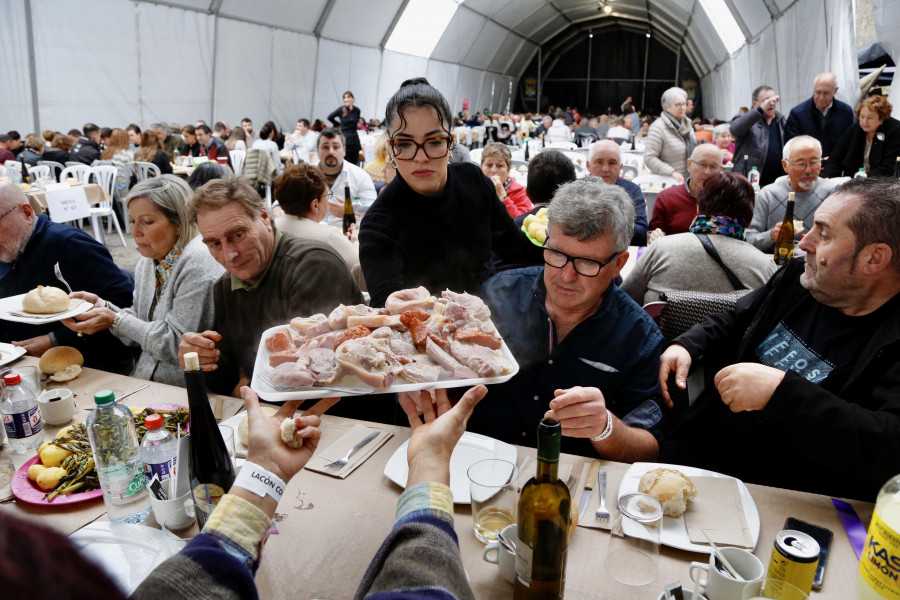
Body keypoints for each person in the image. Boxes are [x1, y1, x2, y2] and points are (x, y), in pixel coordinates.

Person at [660, 177, 900, 501]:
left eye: (824, 233)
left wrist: (780, 393)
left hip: (787, 495)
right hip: (701, 448)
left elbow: (888, 448)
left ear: (874, 258)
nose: (804, 242)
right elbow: (737, 316)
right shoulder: (800, 279)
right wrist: (688, 343)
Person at [474, 178, 664, 459]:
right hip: (478, 462)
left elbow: (649, 447)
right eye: (557, 254)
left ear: (618, 265)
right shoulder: (498, 295)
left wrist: (606, 427)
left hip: (571, 481)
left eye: (587, 262)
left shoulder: (638, 336)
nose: (566, 276)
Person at [359, 77, 543, 308]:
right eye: (405, 144)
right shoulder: (379, 225)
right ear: (391, 149)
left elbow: (516, 248)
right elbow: (390, 311)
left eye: (434, 141)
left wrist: (567, 254)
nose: (420, 157)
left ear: (450, 143)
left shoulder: (474, 181)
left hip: (493, 318)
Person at [177, 177, 362, 396]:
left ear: (264, 217)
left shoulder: (314, 265)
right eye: (215, 244)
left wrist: (248, 384)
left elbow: (311, 378)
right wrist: (204, 359)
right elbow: (231, 379)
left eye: (237, 235)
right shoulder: (225, 287)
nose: (229, 255)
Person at [62, 176, 224, 386]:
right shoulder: (148, 262)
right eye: (131, 220)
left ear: (179, 223)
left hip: (186, 390)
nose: (135, 231)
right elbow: (136, 330)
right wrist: (103, 307)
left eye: (147, 222)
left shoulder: (198, 262)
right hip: (146, 381)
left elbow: (176, 345)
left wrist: (115, 319)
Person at [0, 183, 134, 373]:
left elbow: (123, 304)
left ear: (27, 213)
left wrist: (55, 339)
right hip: (21, 366)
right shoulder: (7, 251)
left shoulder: (70, 245)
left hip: (89, 367)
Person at [622, 172, 777, 305]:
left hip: (662, 339)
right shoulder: (765, 267)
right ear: (749, 216)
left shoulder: (661, 249)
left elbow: (625, 300)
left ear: (698, 208)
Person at [273, 163, 364, 291]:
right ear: (315, 204)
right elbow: (359, 267)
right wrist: (355, 242)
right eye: (326, 196)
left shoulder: (272, 228)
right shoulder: (327, 236)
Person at [746, 136, 839, 252]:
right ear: (785, 165)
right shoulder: (767, 196)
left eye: (814, 162)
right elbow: (749, 239)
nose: (808, 170)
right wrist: (771, 235)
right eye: (801, 164)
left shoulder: (833, 193)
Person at [648, 143, 724, 243]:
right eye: (702, 164)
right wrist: (654, 236)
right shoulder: (666, 198)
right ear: (689, 165)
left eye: (713, 166)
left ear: (720, 170)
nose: (707, 172)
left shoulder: (726, 200)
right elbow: (654, 236)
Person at [586, 140, 649, 245]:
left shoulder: (632, 191)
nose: (605, 169)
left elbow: (642, 235)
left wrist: (612, 220)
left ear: (620, 167)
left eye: (612, 163)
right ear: (588, 165)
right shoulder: (575, 190)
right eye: (599, 162)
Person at [823, 94, 900, 178]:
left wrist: (864, 178)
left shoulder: (895, 131)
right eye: (862, 117)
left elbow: (888, 166)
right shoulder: (855, 130)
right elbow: (836, 158)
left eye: (869, 118)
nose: (864, 122)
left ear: (882, 118)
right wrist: (828, 177)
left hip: (881, 183)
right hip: (854, 181)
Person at [784, 72, 855, 159]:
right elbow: (792, 145)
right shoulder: (798, 114)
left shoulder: (846, 112)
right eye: (818, 92)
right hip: (808, 165)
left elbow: (850, 142)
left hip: (836, 166)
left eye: (826, 93)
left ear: (835, 91)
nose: (821, 97)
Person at [316, 127, 377, 228]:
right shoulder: (306, 175)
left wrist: (350, 213)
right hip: (312, 234)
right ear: (318, 150)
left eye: (336, 147)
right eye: (325, 147)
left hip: (349, 234)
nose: (331, 152)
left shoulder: (360, 176)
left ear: (344, 150)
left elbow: (373, 215)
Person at [731, 85, 786, 186]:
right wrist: (760, 110)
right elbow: (735, 129)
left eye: (774, 100)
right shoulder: (746, 120)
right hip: (748, 182)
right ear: (754, 103)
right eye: (766, 100)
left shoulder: (781, 121)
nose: (771, 103)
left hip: (776, 182)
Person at [644, 87, 696, 183]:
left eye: (684, 104)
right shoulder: (657, 127)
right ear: (667, 107)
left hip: (688, 180)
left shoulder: (688, 125)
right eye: (678, 104)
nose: (682, 107)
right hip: (666, 181)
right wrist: (671, 172)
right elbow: (649, 158)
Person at [480, 142, 531, 218]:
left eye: (500, 166)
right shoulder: (473, 189)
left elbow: (523, 221)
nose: (493, 170)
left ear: (508, 170)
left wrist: (503, 197)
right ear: (481, 167)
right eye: (489, 165)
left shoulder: (520, 192)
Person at [328, 91, 362, 166]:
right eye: (344, 98)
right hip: (345, 137)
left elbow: (356, 121)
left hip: (355, 136)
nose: (346, 99)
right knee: (346, 161)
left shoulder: (357, 110)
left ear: (352, 99)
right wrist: (338, 124)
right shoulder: (341, 110)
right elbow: (330, 117)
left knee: (355, 160)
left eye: (348, 97)